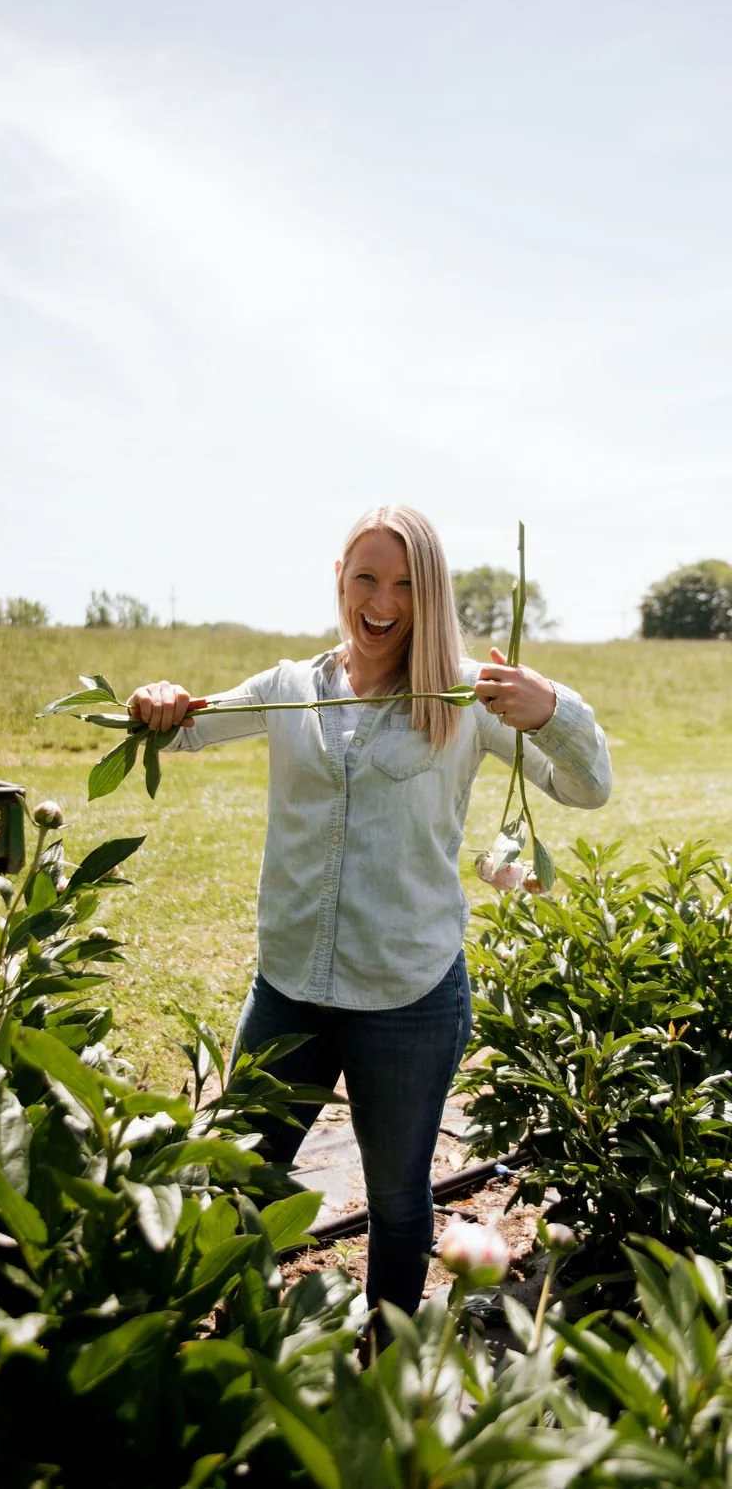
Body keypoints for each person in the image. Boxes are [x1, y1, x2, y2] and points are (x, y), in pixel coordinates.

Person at [127, 504, 611, 1324]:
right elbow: (180, 734)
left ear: (430, 595)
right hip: (291, 987)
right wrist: (158, 700)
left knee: (394, 1196)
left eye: (404, 583)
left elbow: (587, 785)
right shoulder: (290, 688)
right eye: (367, 577)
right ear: (340, 582)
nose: (382, 601)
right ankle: (246, 1337)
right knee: (240, 1174)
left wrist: (553, 705)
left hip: (408, 996)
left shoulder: (464, 696)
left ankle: (386, 1362)